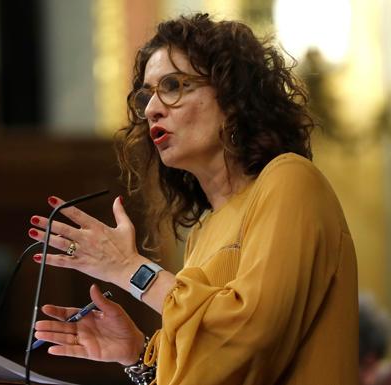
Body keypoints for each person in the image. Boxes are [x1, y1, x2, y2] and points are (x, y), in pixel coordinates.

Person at [27, 13, 358, 384]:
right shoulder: (203, 233)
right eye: (147, 95)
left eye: (172, 85)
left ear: (232, 97)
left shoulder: (290, 180)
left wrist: (128, 269)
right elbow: (214, 367)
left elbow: (249, 336)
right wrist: (138, 355)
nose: (152, 108)